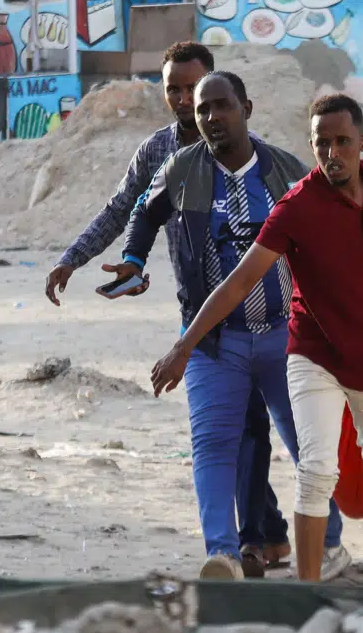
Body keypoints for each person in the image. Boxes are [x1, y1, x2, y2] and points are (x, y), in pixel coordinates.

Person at [45, 42, 330, 575]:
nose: (190, 105)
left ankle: (296, 541)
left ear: (240, 104)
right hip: (208, 328)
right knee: (223, 438)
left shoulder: (277, 167)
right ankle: (235, 547)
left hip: (276, 327)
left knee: (283, 439)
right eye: (179, 93)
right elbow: (130, 212)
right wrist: (102, 259)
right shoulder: (166, 160)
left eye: (203, 96)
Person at [152, 94, 363, 588]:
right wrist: (184, 346)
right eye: (321, 143)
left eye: (342, 142)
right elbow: (236, 283)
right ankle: (307, 587)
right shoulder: (295, 207)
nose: (332, 153)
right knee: (316, 469)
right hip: (312, 353)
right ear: (311, 145)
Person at [108, 71, 347, 580]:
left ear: (247, 108)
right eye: (203, 110)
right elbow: (144, 216)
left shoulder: (285, 170)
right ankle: (222, 553)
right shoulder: (180, 168)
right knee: (213, 444)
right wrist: (132, 259)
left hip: (288, 337)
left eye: (223, 106)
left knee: (307, 443)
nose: (213, 117)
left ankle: (329, 545)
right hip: (215, 341)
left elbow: (330, 240)